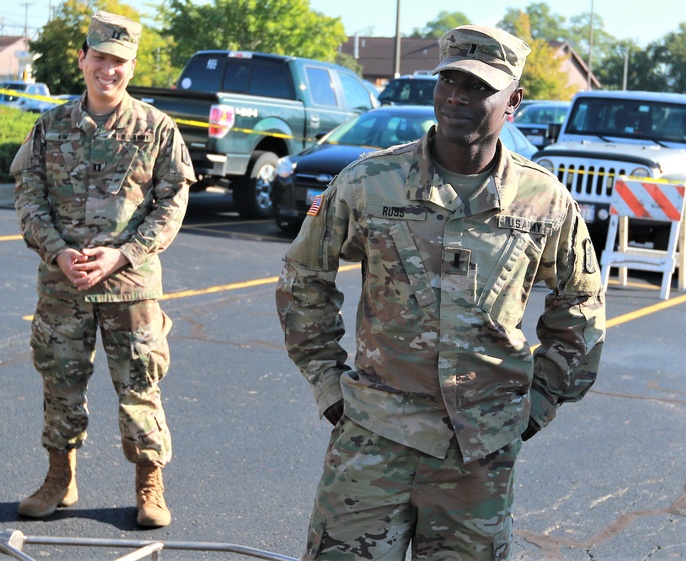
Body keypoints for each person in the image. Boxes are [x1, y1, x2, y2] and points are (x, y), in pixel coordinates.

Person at [276, 24, 606, 561]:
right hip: (373, 440)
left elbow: (582, 307)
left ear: (514, 102)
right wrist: (329, 386)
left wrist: (539, 405)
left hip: (477, 455)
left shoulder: (545, 202)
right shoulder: (369, 182)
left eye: (477, 86)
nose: (456, 95)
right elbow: (303, 277)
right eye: (449, 79)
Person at [11, 10, 194, 528]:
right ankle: (59, 479)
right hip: (62, 285)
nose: (107, 69)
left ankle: (149, 485)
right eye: (99, 58)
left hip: (130, 288)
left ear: (131, 66)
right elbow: (29, 199)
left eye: (118, 61)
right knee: (60, 384)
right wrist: (57, 252)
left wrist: (122, 254)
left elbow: (171, 206)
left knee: (140, 388)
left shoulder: (157, 129)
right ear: (82, 59)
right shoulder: (50, 127)